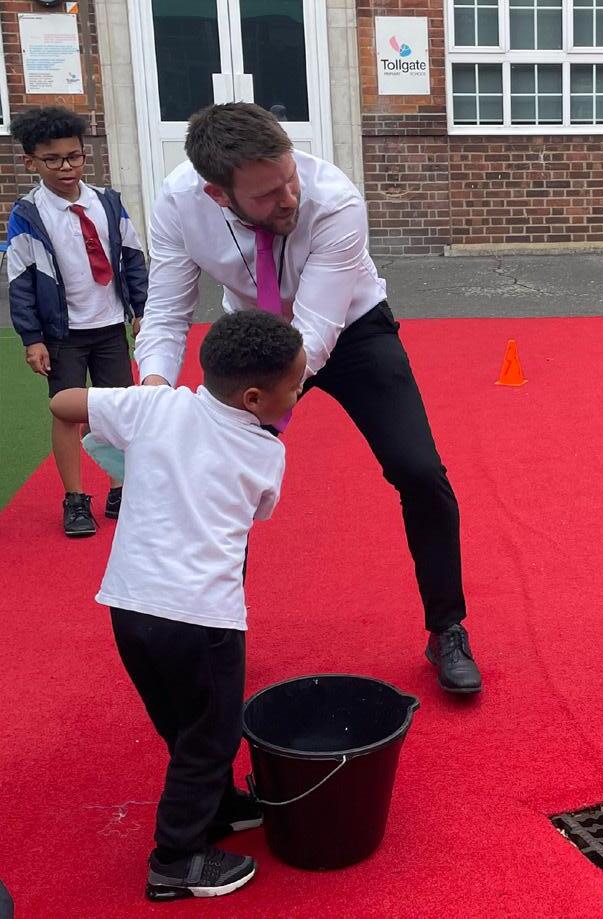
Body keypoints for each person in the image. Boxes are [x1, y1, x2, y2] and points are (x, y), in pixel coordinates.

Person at [133, 102, 481, 694]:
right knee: (216, 476)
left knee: (419, 470)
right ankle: (216, 636)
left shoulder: (335, 199)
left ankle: (447, 628)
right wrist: (155, 394)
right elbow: (166, 310)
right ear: (219, 194)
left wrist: (258, 412)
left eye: (290, 177)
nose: (289, 197)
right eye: (267, 194)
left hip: (351, 329)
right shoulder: (177, 203)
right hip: (253, 333)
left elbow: (315, 335)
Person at [50, 310, 305, 900]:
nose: (297, 395)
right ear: (253, 398)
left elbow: (65, 404)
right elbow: (257, 510)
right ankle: (176, 857)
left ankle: (215, 806)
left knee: (181, 720)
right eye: (294, 387)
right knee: (211, 734)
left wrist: (138, 434)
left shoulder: (154, 406)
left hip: (129, 606)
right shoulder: (265, 451)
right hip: (201, 616)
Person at [6, 105, 148, 536]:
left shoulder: (108, 202)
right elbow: (21, 280)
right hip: (61, 334)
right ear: (30, 162)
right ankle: (75, 497)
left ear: (85, 154)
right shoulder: (28, 214)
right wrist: (32, 338)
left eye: (74, 156)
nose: (66, 167)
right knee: (67, 413)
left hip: (109, 326)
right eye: (52, 160)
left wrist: (141, 311)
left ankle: (121, 487)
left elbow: (132, 258)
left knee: (117, 410)